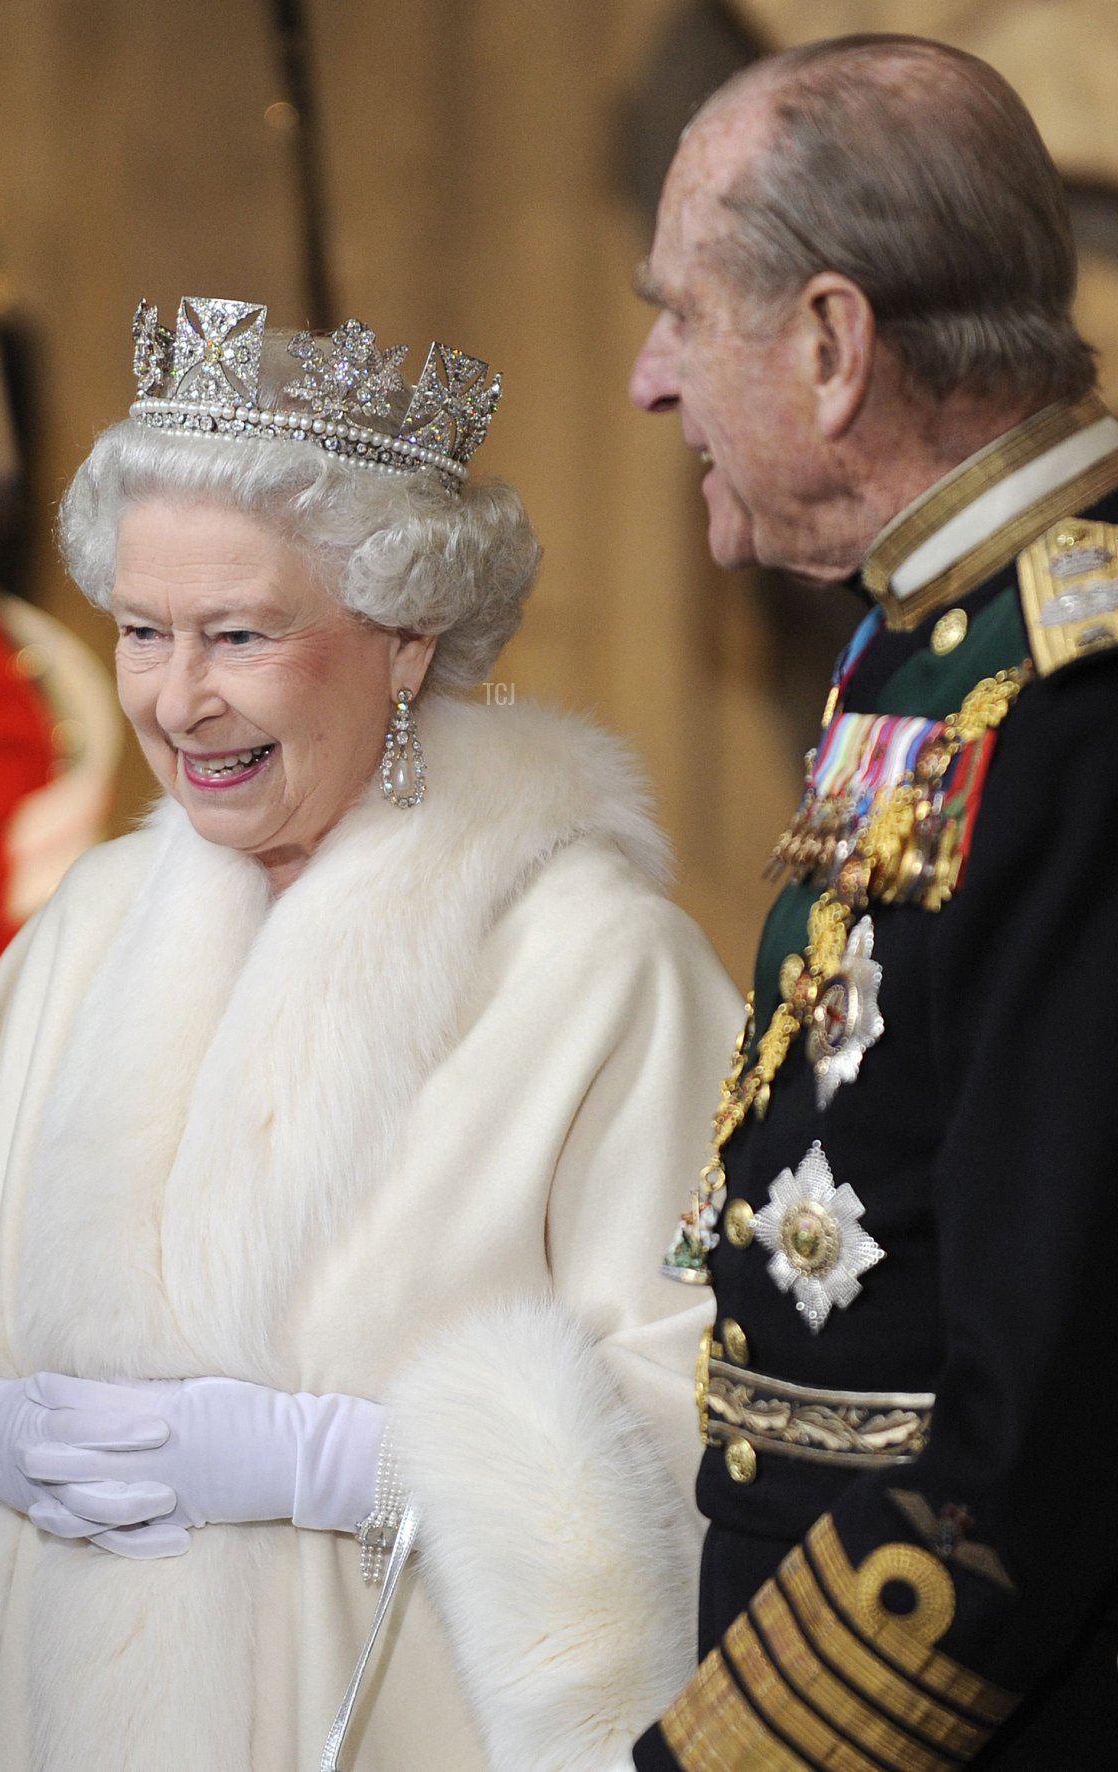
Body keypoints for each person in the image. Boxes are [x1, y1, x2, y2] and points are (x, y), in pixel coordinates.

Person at [0, 296, 743, 1772]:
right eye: (141, 631)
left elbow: (712, 1422)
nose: (180, 701)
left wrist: (344, 1465)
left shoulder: (595, 966)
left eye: (241, 632)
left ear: (407, 641)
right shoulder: (85, 934)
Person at [627, 33, 1118, 1770]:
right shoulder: (939, 636)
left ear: (833, 346)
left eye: (681, 313)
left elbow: (1051, 1420)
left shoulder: (1077, 703)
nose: (646, 377)